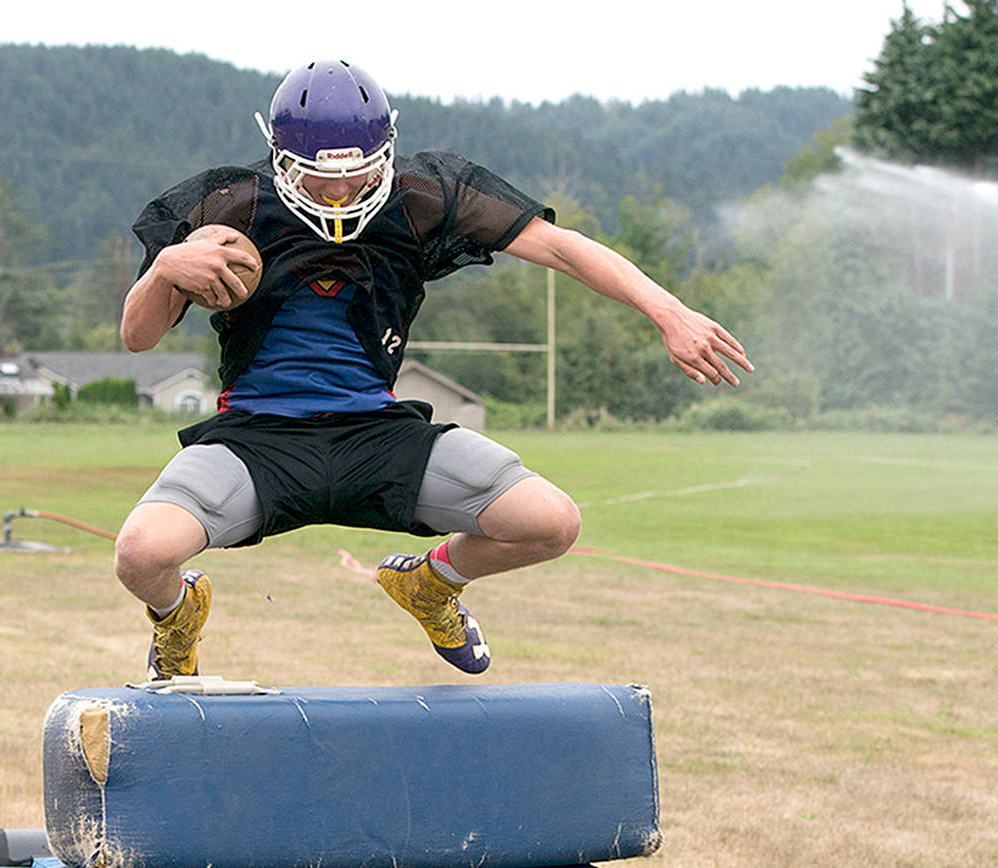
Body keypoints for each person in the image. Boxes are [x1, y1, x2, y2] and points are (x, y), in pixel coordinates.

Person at [114, 59, 753, 679]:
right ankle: (177, 617)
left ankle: (430, 584)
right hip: (258, 437)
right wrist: (167, 266)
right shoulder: (230, 206)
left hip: (379, 433)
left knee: (551, 523)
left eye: (358, 172)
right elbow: (137, 337)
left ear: (387, 149)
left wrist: (669, 311)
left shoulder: (422, 198)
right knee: (140, 555)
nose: (339, 190)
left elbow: (563, 247)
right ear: (280, 158)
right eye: (318, 176)